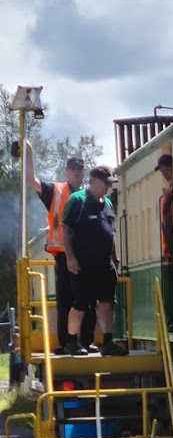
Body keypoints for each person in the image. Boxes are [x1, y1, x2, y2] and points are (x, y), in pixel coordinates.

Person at [23, 144, 94, 348]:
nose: (76, 172)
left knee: (87, 300)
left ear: (83, 172)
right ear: (66, 171)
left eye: (79, 169)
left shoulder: (89, 194)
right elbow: (31, 180)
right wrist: (28, 150)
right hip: (63, 255)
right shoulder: (55, 190)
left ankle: (87, 341)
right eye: (72, 169)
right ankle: (67, 342)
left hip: (85, 255)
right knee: (66, 300)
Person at [61, 166, 122, 356]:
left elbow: (110, 233)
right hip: (82, 263)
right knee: (81, 303)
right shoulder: (77, 200)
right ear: (94, 181)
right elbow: (66, 230)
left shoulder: (108, 203)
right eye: (106, 183)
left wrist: (115, 259)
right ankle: (71, 341)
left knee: (107, 302)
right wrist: (70, 258)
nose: (108, 187)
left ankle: (108, 341)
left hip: (104, 263)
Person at [155, 152, 173, 329]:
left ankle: (172, 320)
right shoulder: (167, 191)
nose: (165, 174)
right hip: (168, 248)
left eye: (166, 170)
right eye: (162, 171)